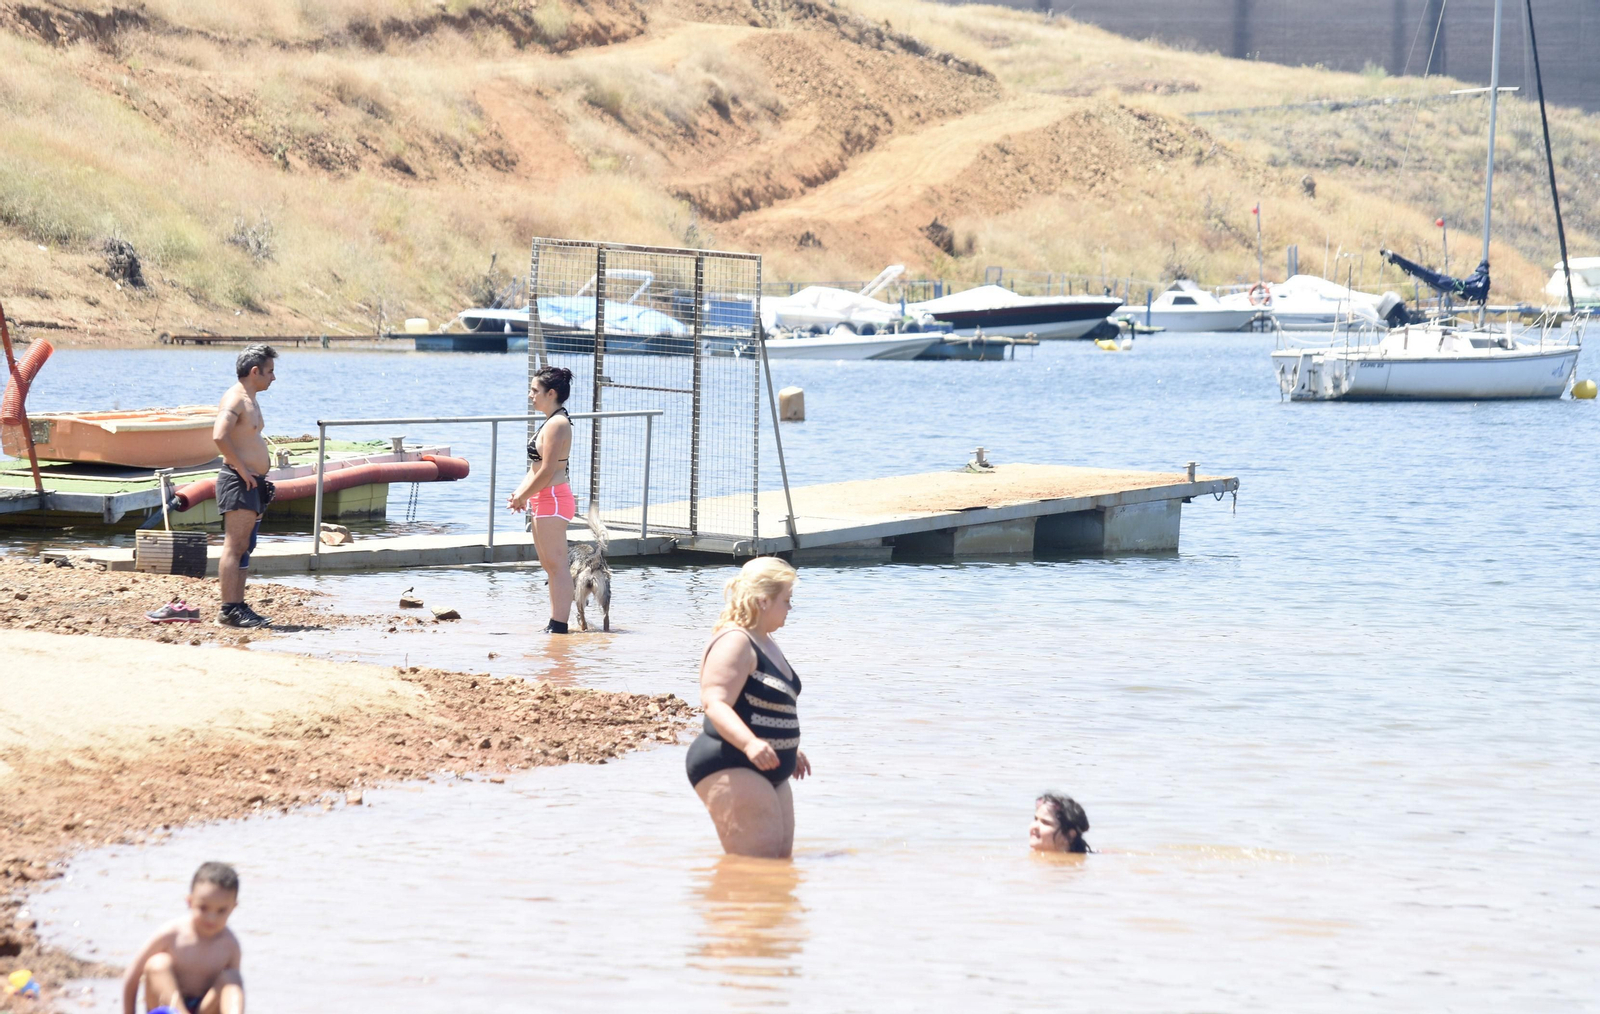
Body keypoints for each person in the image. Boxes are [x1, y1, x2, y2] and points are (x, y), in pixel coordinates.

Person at [686, 557, 810, 858]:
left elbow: (770, 706)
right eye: (786, 600)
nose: (790, 609)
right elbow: (714, 703)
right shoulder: (735, 641)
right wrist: (751, 743)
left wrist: (789, 749)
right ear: (763, 601)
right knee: (755, 864)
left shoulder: (765, 640)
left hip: (770, 765)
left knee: (779, 864)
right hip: (731, 760)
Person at [120, 861, 245, 1014]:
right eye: (203, 908)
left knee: (232, 978)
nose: (211, 917)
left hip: (205, 1009)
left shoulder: (230, 945)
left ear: (233, 908)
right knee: (157, 963)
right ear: (190, 901)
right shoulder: (172, 934)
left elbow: (232, 994)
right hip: (168, 1008)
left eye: (221, 911)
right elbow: (131, 977)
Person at [211, 344, 277, 629]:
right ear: (255, 372)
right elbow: (219, 435)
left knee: (245, 546)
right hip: (237, 481)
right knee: (234, 545)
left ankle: (238, 606)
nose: (273, 378)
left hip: (251, 482)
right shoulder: (235, 398)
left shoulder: (250, 398)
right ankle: (228, 609)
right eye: (270, 371)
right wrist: (241, 469)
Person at [507, 366, 576, 634]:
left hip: (554, 499)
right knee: (549, 565)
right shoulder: (550, 421)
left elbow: (548, 470)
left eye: (535, 391)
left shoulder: (558, 423)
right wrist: (520, 493)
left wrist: (524, 495)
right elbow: (535, 468)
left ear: (551, 393)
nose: (530, 395)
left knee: (557, 565)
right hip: (543, 498)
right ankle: (554, 623)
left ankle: (559, 627)